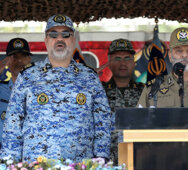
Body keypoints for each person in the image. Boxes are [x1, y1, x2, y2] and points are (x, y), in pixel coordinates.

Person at [0, 14, 112, 162]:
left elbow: (102, 121)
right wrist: (10, 166)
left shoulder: (89, 77)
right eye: (53, 34)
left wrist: (101, 158)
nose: (59, 39)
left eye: (66, 34)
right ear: (46, 40)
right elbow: (13, 123)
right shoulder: (27, 77)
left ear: (73, 40)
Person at [102, 38, 144, 162]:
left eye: (127, 59)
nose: (123, 63)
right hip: (106, 163)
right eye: (117, 59)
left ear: (134, 63)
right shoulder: (99, 92)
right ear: (109, 62)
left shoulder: (145, 92)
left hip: (137, 159)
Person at [0, 38, 32, 146]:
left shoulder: (40, 88)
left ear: (29, 59)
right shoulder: (1, 87)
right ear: (8, 60)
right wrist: (4, 65)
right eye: (14, 57)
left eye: (23, 56)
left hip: (30, 150)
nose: (19, 61)